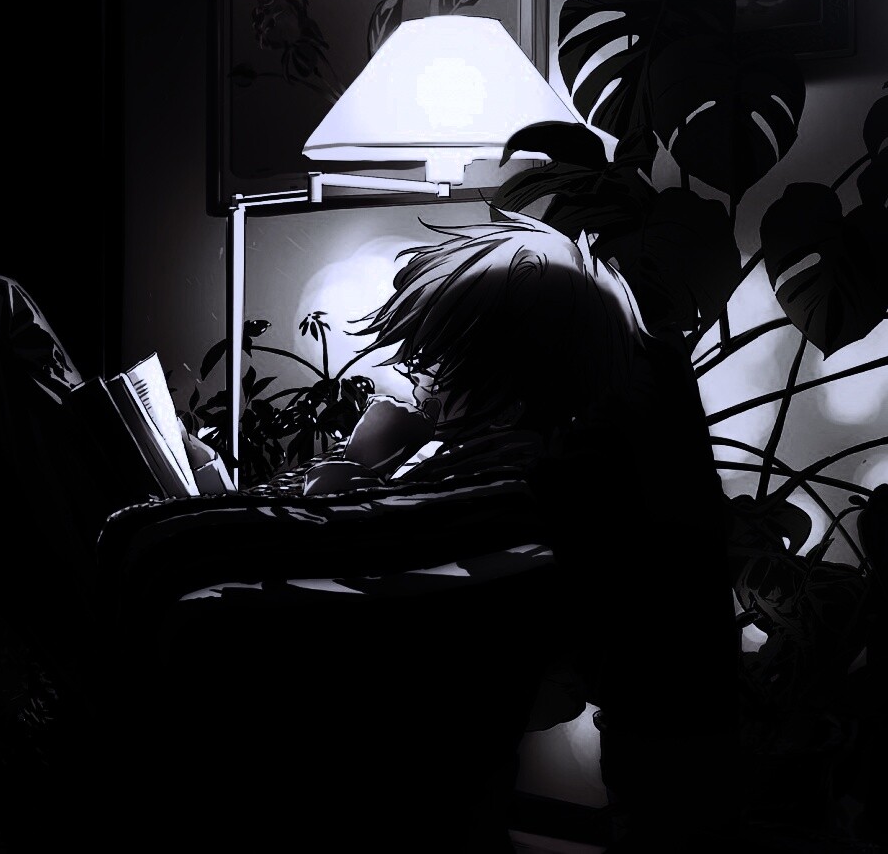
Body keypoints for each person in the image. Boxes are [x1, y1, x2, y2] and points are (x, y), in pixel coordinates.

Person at [271, 209, 742, 850]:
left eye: (435, 365)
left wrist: (358, 463)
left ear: (504, 372)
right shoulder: (620, 392)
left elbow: (352, 564)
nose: (420, 386)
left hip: (658, 737)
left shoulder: (536, 482)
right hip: (678, 716)